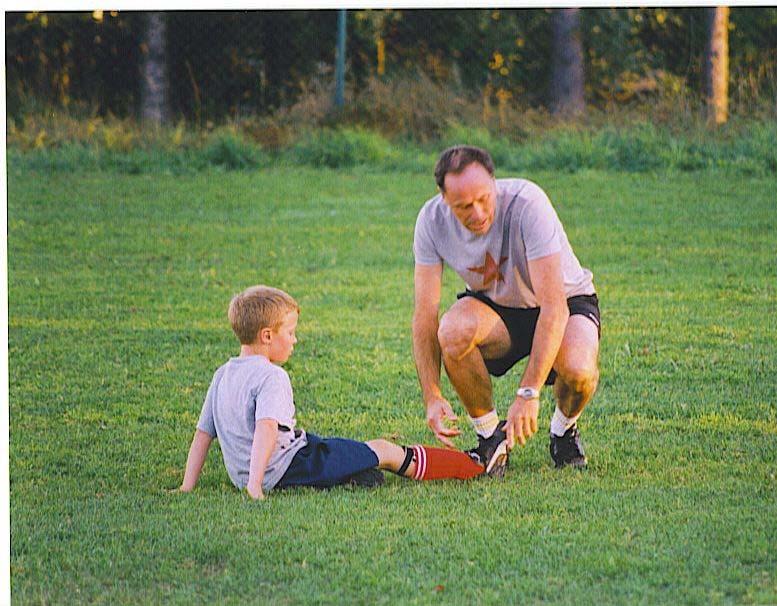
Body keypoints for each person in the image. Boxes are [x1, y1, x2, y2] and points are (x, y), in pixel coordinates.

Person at [178, 285, 487, 500]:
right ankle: (473, 466)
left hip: (258, 469)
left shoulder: (222, 374)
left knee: (339, 451)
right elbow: (266, 430)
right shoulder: (271, 377)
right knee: (385, 451)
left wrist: (187, 486)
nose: (295, 340)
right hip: (290, 467)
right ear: (267, 335)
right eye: (290, 333)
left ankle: (355, 474)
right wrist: (256, 486)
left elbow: (203, 434)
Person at [412, 145, 601, 474]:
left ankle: (563, 431)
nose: (479, 213)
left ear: (494, 182)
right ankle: (490, 437)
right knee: (453, 330)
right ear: (444, 199)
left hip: (563, 301)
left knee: (579, 370)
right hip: (497, 309)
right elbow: (424, 315)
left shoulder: (528, 203)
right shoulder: (431, 221)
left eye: (484, 198)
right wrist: (432, 395)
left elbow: (554, 308)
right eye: (463, 206)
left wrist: (528, 393)